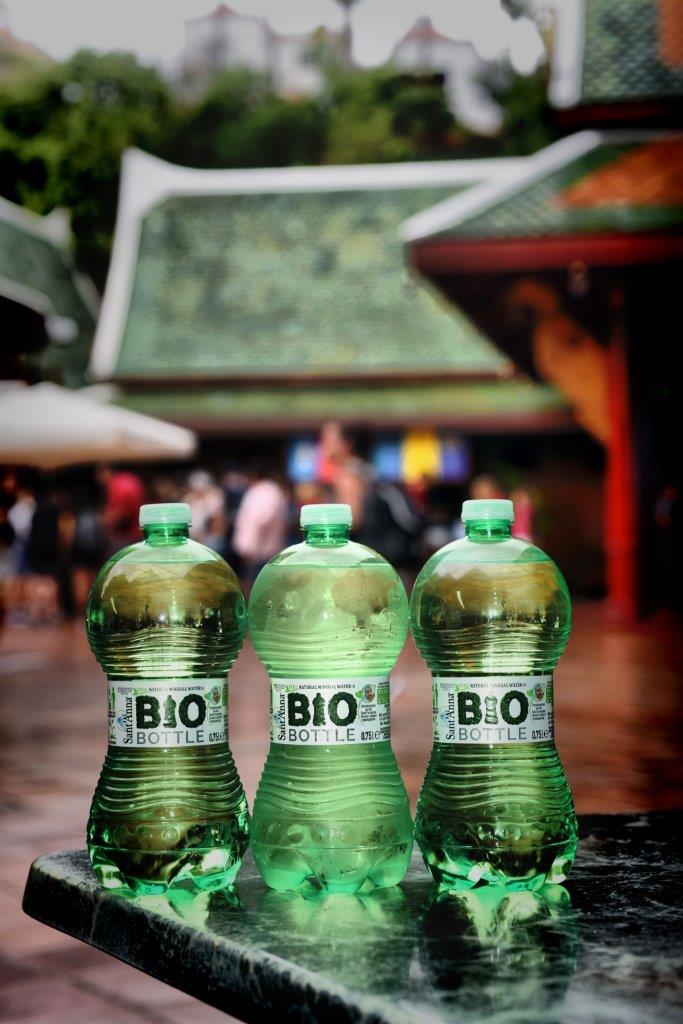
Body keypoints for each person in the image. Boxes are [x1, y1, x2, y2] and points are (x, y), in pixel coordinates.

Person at [232, 463, 288, 586]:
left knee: (258, 588)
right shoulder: (263, 490)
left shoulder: (267, 491)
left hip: (261, 553)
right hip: (257, 552)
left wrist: (253, 548)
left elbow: (263, 520)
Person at [97, 466, 145, 554]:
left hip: (128, 535)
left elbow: (120, 512)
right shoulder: (128, 478)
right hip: (139, 530)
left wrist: (105, 522)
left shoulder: (115, 484)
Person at [183, 469, 226, 551]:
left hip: (209, 540)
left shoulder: (213, 498)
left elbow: (217, 521)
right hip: (192, 539)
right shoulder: (188, 498)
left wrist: (205, 536)